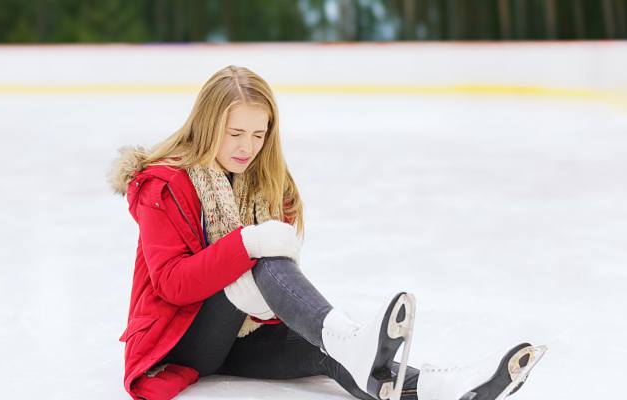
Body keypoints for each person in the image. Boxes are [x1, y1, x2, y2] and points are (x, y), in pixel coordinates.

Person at [108, 65, 545, 400]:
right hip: (180, 343)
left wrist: (262, 260)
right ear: (207, 126)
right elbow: (172, 285)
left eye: (259, 134)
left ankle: (447, 388)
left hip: (243, 337)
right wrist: (248, 243)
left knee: (332, 353)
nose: (247, 147)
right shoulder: (164, 185)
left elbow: (271, 287)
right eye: (235, 132)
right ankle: (350, 339)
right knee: (263, 253)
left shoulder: (267, 183)